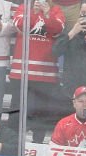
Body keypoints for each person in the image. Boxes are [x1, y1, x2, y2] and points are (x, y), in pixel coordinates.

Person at [9, 0, 65, 144]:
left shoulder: (56, 10)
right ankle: (11, 143)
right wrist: (34, 13)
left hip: (46, 74)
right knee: (17, 111)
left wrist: (46, 14)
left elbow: (57, 29)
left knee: (41, 112)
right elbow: (19, 24)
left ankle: (37, 143)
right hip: (21, 72)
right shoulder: (23, 8)